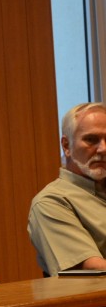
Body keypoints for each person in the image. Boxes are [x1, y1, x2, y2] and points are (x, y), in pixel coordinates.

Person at [28, 102, 106, 276]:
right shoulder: (51, 202)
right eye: (91, 140)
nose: (103, 149)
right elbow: (93, 268)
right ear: (66, 146)